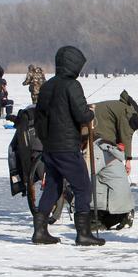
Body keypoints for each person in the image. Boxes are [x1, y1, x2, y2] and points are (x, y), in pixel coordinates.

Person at [32, 45, 104, 246]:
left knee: (53, 187)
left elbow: (40, 117)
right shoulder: (72, 86)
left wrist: (46, 141)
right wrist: (90, 112)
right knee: (83, 187)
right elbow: (81, 115)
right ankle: (83, 234)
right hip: (67, 146)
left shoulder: (47, 86)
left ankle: (40, 231)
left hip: (50, 146)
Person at [92, 90, 138, 229]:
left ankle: (116, 212)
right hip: (99, 132)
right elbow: (126, 137)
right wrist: (128, 160)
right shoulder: (129, 114)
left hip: (99, 131)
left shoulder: (130, 111)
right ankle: (118, 212)